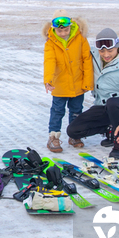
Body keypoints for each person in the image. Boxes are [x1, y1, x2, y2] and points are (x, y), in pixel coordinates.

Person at [66, 28, 119, 158]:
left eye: (110, 50)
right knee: (73, 131)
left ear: (117, 47)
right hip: (101, 105)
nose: (106, 54)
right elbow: (73, 46)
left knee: (113, 103)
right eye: (102, 51)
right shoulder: (92, 56)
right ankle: (110, 129)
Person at [42, 9, 93, 153]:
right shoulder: (50, 42)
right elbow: (49, 61)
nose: (63, 34)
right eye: (60, 31)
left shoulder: (80, 38)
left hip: (78, 84)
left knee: (77, 111)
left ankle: (74, 135)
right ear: (54, 29)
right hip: (59, 85)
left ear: (71, 26)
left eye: (66, 30)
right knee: (57, 111)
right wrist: (48, 80)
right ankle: (53, 137)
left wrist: (87, 82)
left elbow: (86, 60)